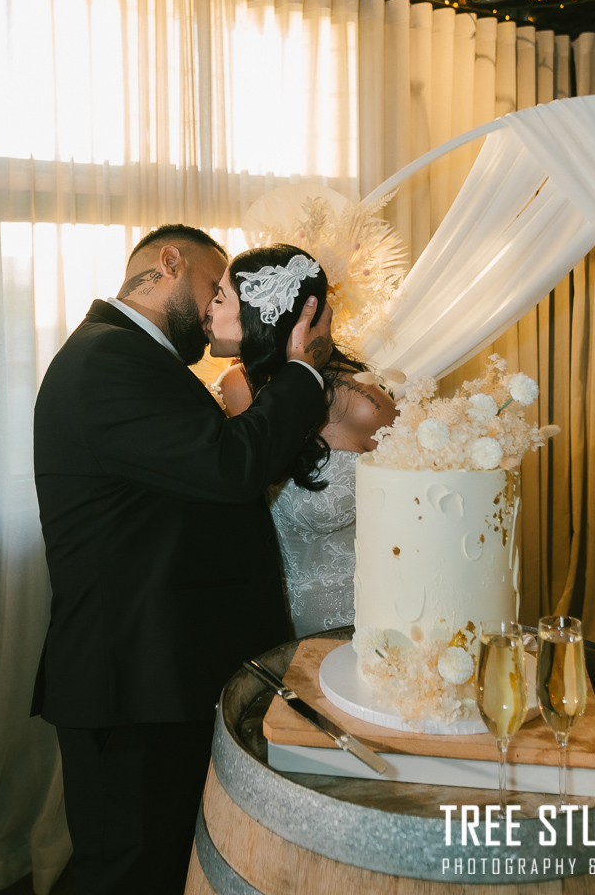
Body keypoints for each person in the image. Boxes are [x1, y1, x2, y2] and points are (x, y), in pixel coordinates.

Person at [31, 224, 333, 895]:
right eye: (213, 284)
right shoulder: (107, 358)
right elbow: (230, 467)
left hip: (158, 677)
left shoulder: (133, 357)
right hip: (130, 684)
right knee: (126, 875)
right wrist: (304, 371)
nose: (219, 302)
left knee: (164, 866)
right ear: (170, 262)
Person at [207, 243, 396, 637]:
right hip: (264, 622)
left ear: (260, 315)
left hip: (352, 622)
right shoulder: (237, 387)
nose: (208, 309)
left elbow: (416, 517)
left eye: (220, 298)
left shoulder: (363, 405)